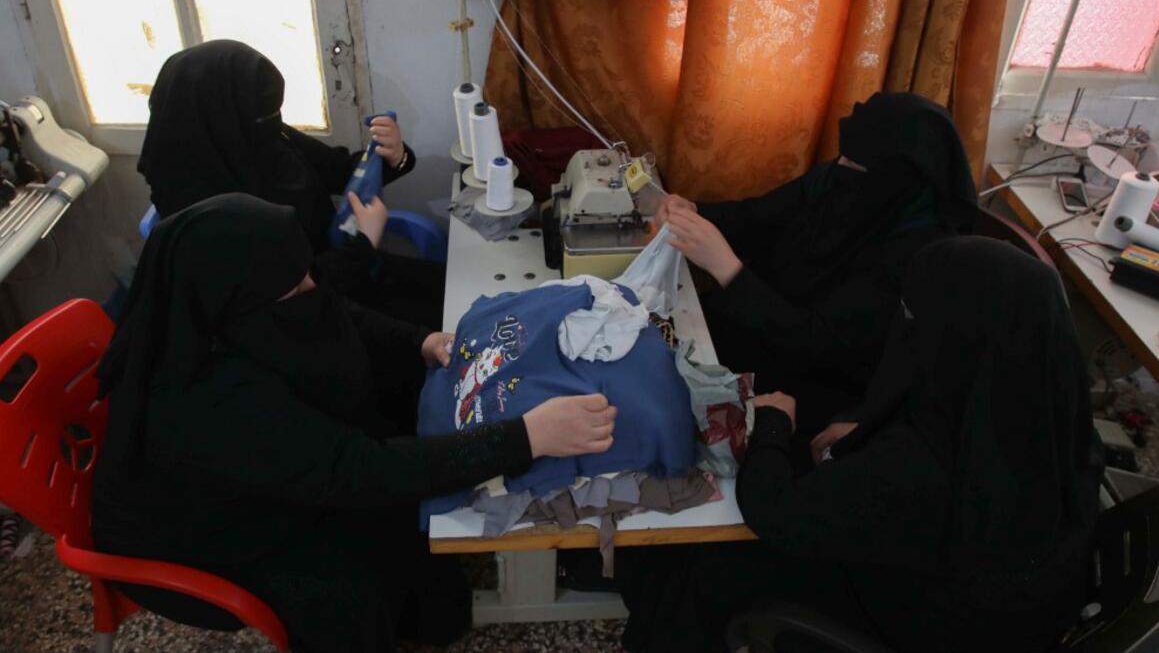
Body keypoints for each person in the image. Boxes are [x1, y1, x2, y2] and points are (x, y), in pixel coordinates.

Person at [90, 194, 618, 652]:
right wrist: (528, 436)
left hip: (265, 472)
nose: (310, 289)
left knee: (401, 455)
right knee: (359, 582)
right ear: (232, 304)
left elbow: (336, 310)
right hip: (210, 535)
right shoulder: (206, 402)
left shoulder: (207, 313)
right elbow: (358, 468)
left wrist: (420, 341)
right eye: (292, 289)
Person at [617, 237, 1104, 652]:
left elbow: (774, 513)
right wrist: (868, 427)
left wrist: (770, 423)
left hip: (925, 626)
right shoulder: (1049, 410)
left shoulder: (915, 468)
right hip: (1012, 613)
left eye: (915, 314)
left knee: (700, 561)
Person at [656, 92, 978, 430]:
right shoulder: (838, 179)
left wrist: (727, 269)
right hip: (760, 327)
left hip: (811, 385)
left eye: (856, 165)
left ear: (899, 179)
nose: (840, 167)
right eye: (844, 156)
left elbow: (819, 344)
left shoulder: (918, 256)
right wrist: (693, 212)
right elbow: (757, 217)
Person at [137, 39, 443, 329]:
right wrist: (362, 243)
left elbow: (341, 171)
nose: (273, 124)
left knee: (458, 290)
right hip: (313, 319)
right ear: (223, 115)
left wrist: (392, 155)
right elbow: (286, 300)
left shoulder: (262, 135)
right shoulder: (203, 218)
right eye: (263, 115)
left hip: (347, 268)